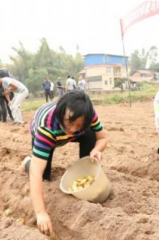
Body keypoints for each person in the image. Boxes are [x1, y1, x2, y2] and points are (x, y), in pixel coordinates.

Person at [18, 90, 107, 236]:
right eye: (70, 123)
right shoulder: (45, 129)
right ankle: (28, 161)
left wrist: (97, 150)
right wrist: (41, 213)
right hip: (49, 135)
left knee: (90, 134)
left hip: (65, 132)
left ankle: (85, 170)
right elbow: (36, 174)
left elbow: (102, 138)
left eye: (79, 125)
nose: (72, 129)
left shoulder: (88, 114)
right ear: (61, 115)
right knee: (44, 175)